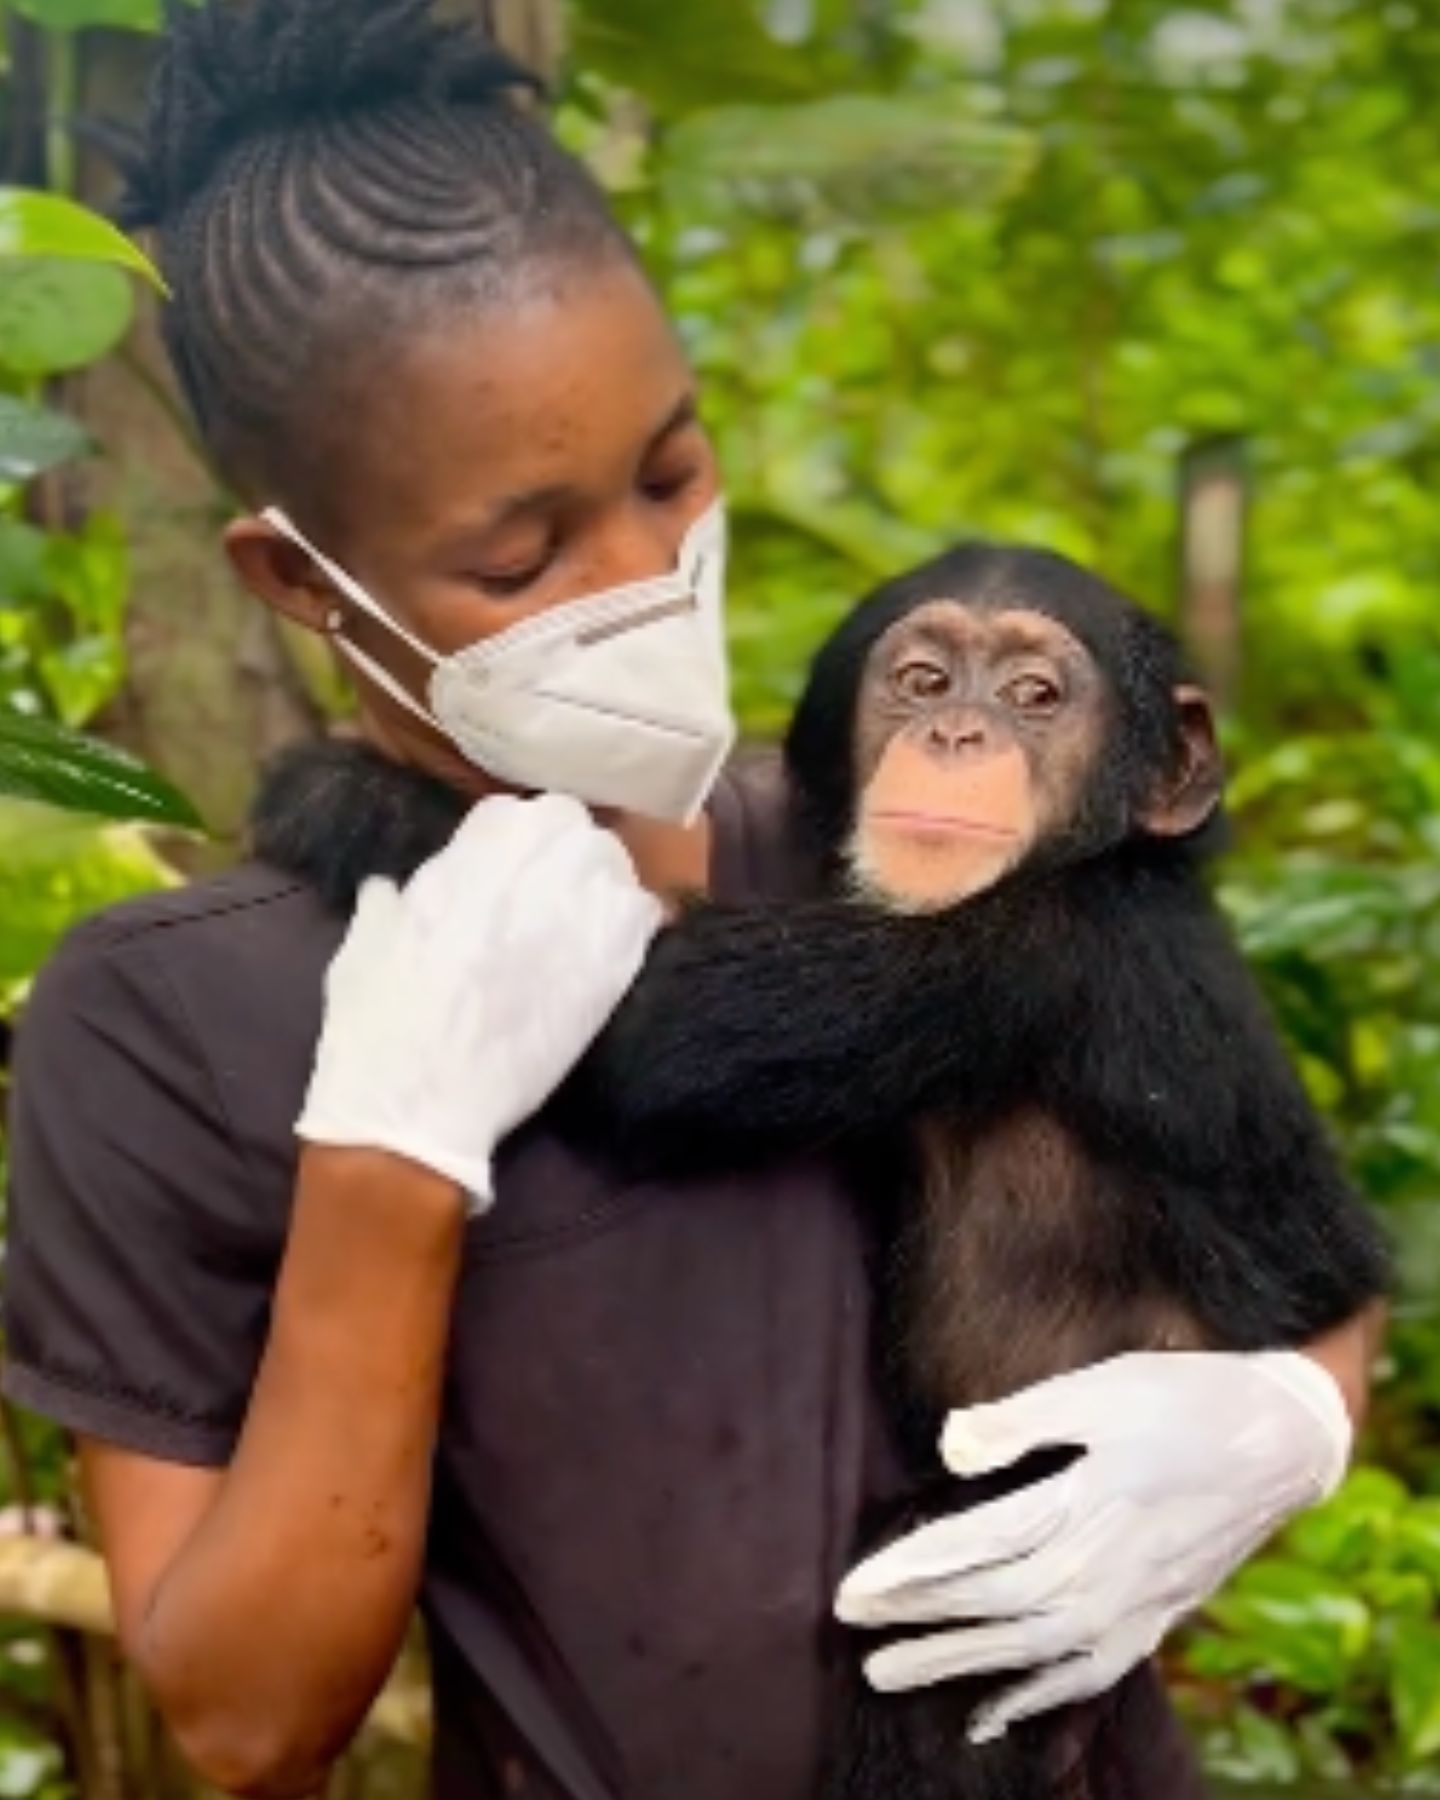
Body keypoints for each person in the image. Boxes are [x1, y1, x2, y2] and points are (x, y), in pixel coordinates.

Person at [1, 3, 1383, 1797]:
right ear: (299, 579)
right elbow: (245, 1723)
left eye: (674, 472)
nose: (653, 582)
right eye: (521, 554)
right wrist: (386, 1166)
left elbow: (1286, 1248)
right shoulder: (176, 1012)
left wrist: (1283, 1422)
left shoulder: (915, 845)